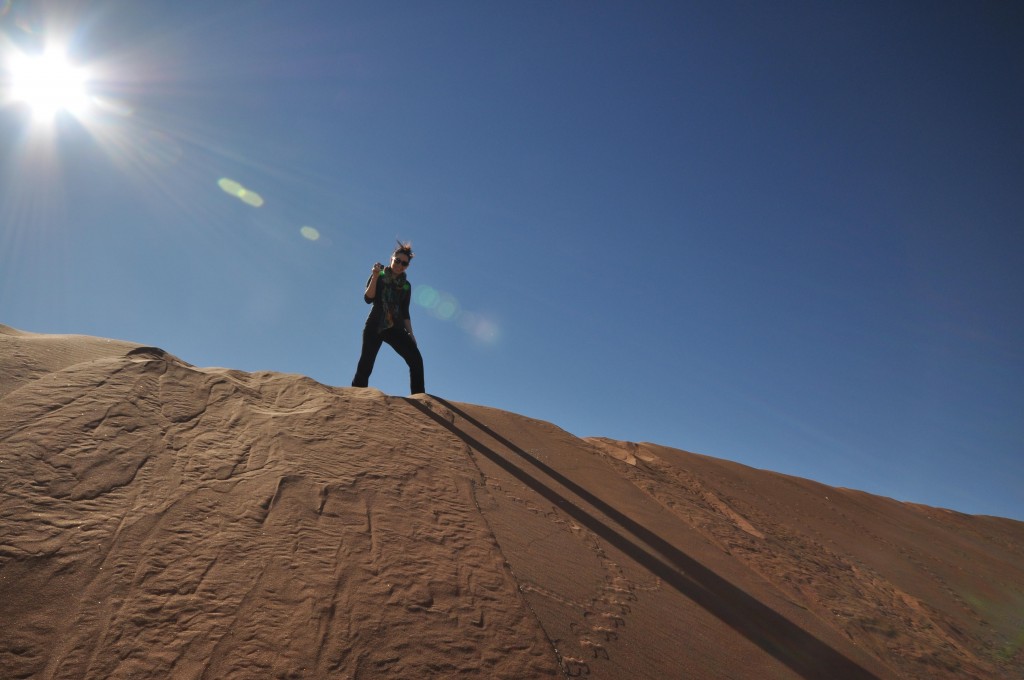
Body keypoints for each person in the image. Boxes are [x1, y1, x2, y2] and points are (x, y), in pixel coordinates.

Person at [351, 241, 425, 394]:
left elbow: (405, 311)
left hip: (395, 328)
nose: (399, 265)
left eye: (404, 263)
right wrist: (375, 276)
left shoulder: (406, 286)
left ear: (407, 266)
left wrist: (411, 334)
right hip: (375, 324)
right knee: (366, 364)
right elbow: (368, 298)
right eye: (397, 260)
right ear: (391, 258)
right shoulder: (380, 274)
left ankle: (421, 399)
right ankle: (354, 400)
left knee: (416, 360)